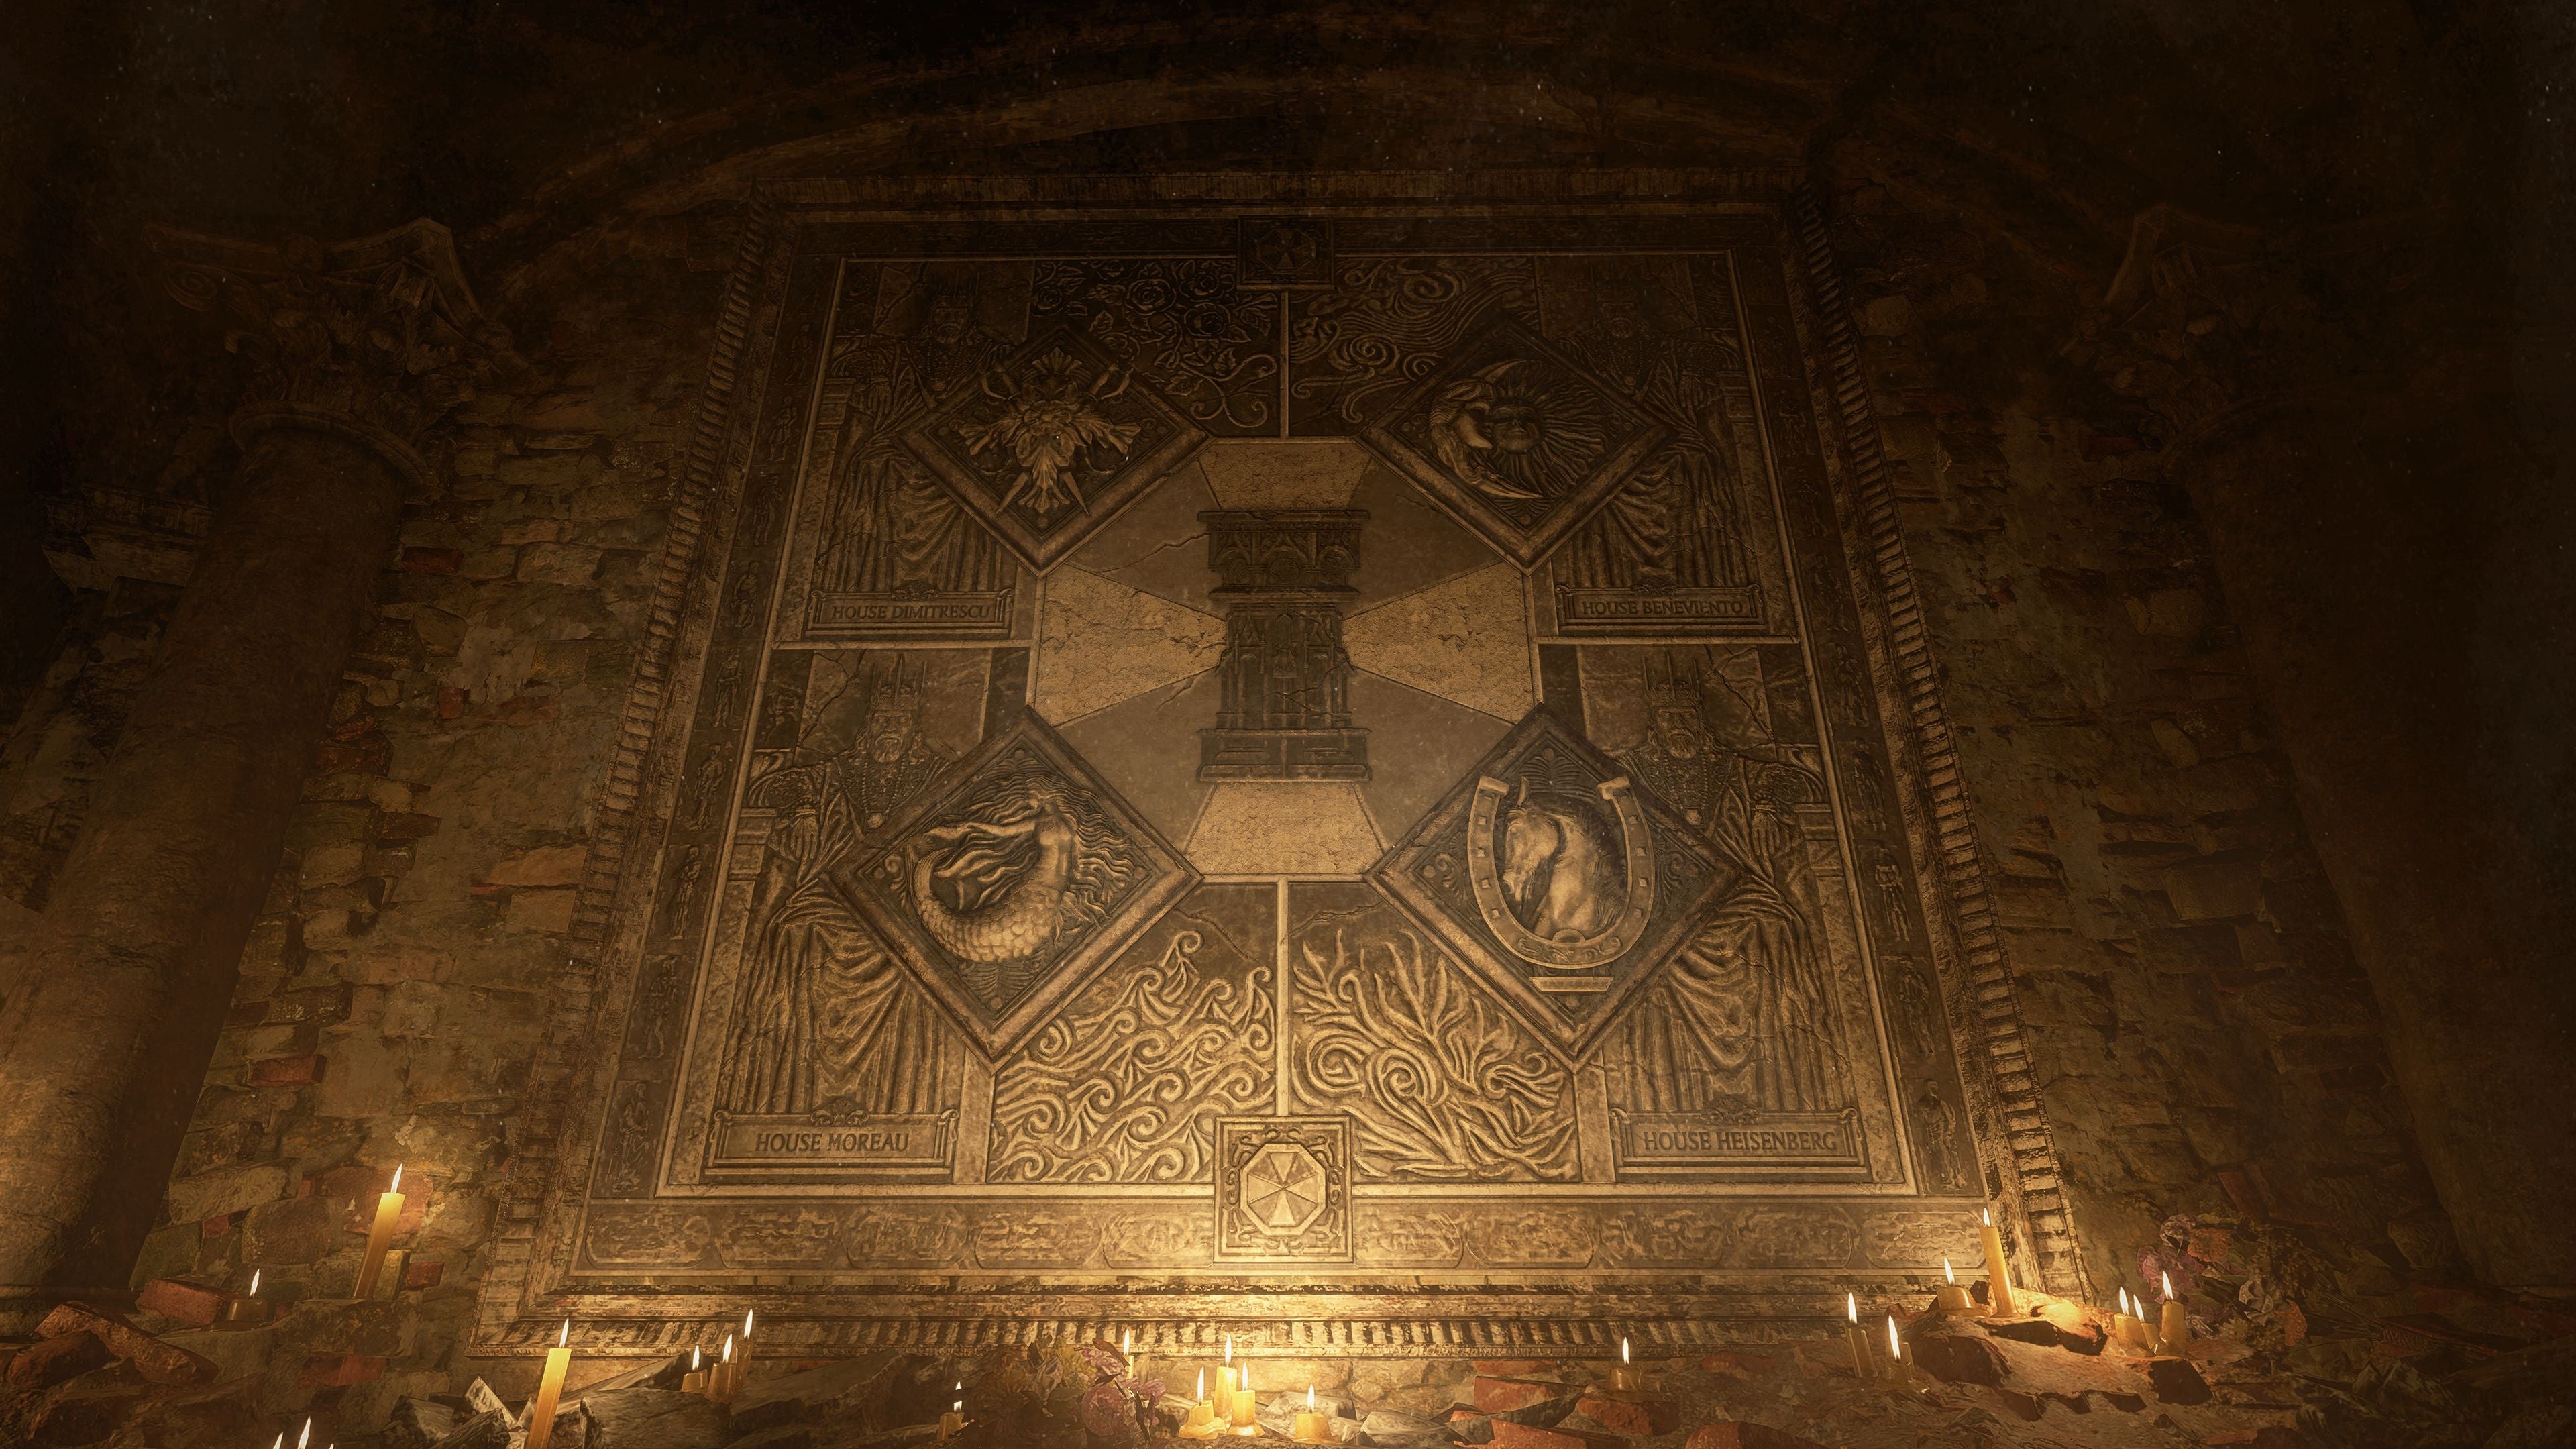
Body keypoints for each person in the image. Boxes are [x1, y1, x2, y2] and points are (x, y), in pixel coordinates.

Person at [716, 664, 957, 1116]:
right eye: (882, 720)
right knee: (793, 929)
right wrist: (805, 807)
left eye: (899, 721)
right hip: (830, 895)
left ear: (913, 729)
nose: (890, 730)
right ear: (869, 727)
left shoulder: (936, 774)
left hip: (900, 899)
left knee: (913, 955)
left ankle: (899, 1106)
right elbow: (771, 786)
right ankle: (786, 1098)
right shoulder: (836, 772)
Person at [1615, 660, 1847, 1114]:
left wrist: (1766, 803)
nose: (1679, 725)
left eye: (1686, 716)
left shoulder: (1732, 768)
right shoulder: (1631, 770)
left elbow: (1800, 780)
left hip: (1741, 892)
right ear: (1655, 724)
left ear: (1700, 721)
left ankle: (1785, 1096)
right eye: (1668, 717)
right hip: (1667, 898)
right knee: (1653, 952)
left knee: (1778, 926)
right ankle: (1668, 1105)